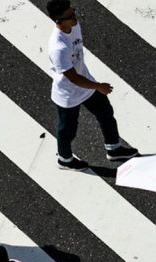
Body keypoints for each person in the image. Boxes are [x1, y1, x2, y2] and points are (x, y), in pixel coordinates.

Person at [46, 0, 138, 171]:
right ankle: (64, 159)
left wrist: (94, 86)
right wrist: (97, 86)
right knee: (68, 130)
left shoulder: (74, 26)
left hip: (85, 83)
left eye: (73, 11)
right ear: (59, 20)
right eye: (70, 15)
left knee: (105, 112)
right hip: (69, 94)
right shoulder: (58, 47)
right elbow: (72, 78)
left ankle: (113, 148)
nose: (75, 16)